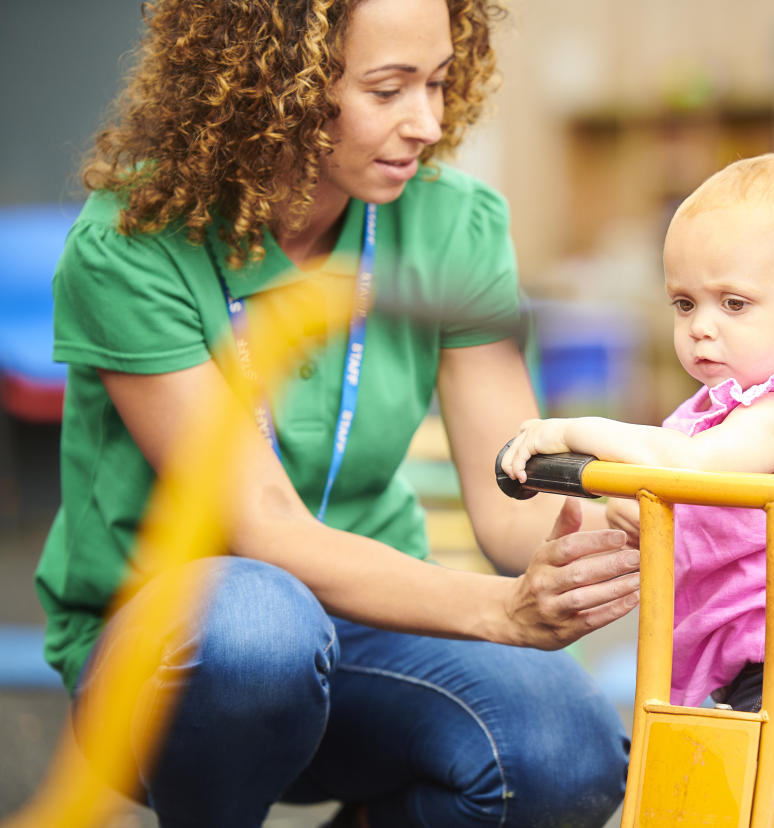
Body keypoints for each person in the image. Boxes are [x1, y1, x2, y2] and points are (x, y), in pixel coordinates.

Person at [34, 1, 637, 826]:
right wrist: (500, 610)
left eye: (438, 81)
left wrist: (600, 546)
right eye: (387, 90)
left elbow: (509, 501)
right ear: (268, 87)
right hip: (178, 648)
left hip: (375, 623)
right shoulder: (132, 244)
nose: (427, 121)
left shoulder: (455, 222)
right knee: (254, 629)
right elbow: (264, 528)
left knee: (569, 750)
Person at [501, 153, 774, 772]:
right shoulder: (709, 413)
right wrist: (612, 511)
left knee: (724, 768)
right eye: (684, 303)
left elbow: (691, 469)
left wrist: (575, 428)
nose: (701, 327)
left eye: (733, 304)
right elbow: (670, 489)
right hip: (759, 680)